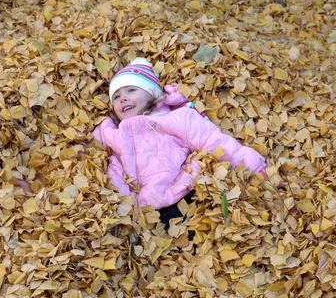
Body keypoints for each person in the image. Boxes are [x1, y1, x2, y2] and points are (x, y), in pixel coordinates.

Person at [93, 57, 267, 228]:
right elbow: (111, 168)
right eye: (116, 97)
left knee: (210, 217)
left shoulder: (175, 119)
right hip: (148, 212)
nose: (122, 98)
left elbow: (214, 141)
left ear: (152, 93)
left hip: (184, 192)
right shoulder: (114, 133)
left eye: (131, 90)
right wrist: (123, 207)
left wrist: (254, 169)